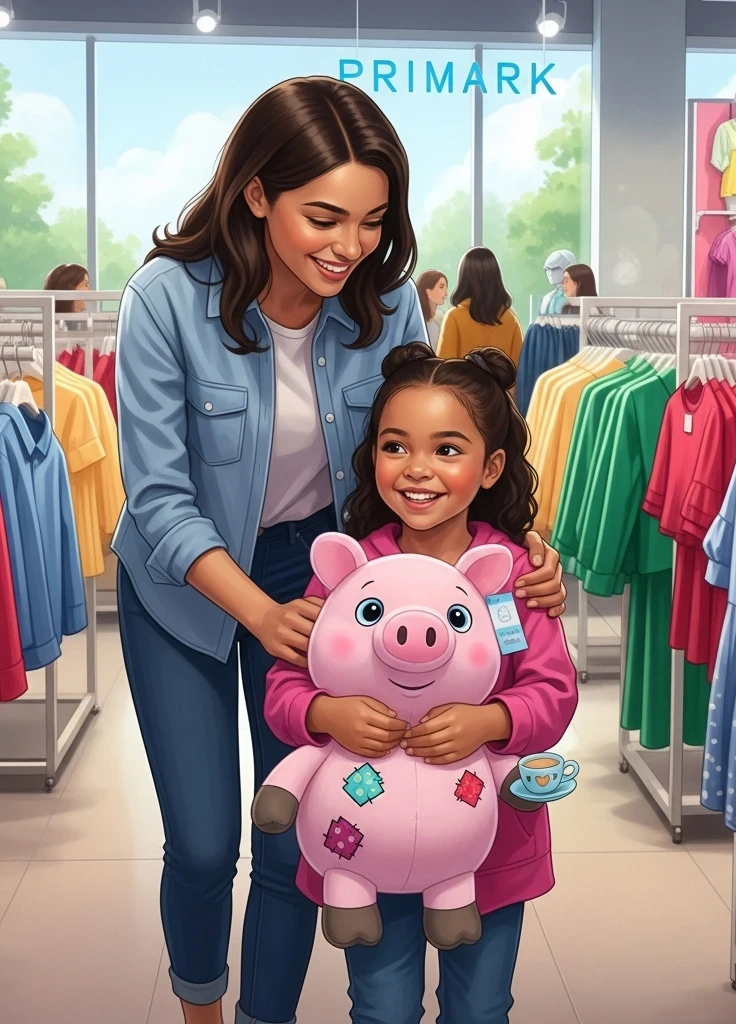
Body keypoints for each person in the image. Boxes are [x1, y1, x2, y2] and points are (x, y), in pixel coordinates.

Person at [112, 77, 567, 1024]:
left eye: (372, 220)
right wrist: (257, 610)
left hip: (325, 576)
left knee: (302, 841)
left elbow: (426, 453)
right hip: (186, 588)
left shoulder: (386, 303)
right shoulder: (164, 299)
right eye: (324, 216)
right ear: (255, 195)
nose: (350, 245)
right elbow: (156, 495)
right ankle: (201, 1004)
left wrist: (515, 546)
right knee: (203, 842)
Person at [264, 342, 578, 1024]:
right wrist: (326, 711)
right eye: (396, 445)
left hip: (486, 848)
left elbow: (551, 694)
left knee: (480, 1006)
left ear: (491, 466)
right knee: (380, 1008)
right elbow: (284, 691)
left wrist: (489, 722)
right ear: (371, 453)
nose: (417, 471)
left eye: (447, 450)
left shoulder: (511, 578)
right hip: (363, 849)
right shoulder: (347, 571)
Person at [437, 247, 523, 367]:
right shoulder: (510, 319)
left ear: (463, 277)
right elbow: (519, 370)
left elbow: (444, 368)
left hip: (463, 386)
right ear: (496, 277)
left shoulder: (454, 317)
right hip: (500, 386)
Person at [415, 268, 447, 347]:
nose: (446, 293)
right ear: (428, 291)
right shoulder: (416, 322)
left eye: (446, 287)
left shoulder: (441, 318)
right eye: (441, 287)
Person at [540, 249, 575, 314]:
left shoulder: (580, 297)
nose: (549, 272)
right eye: (546, 269)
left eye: (554, 268)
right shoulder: (547, 298)